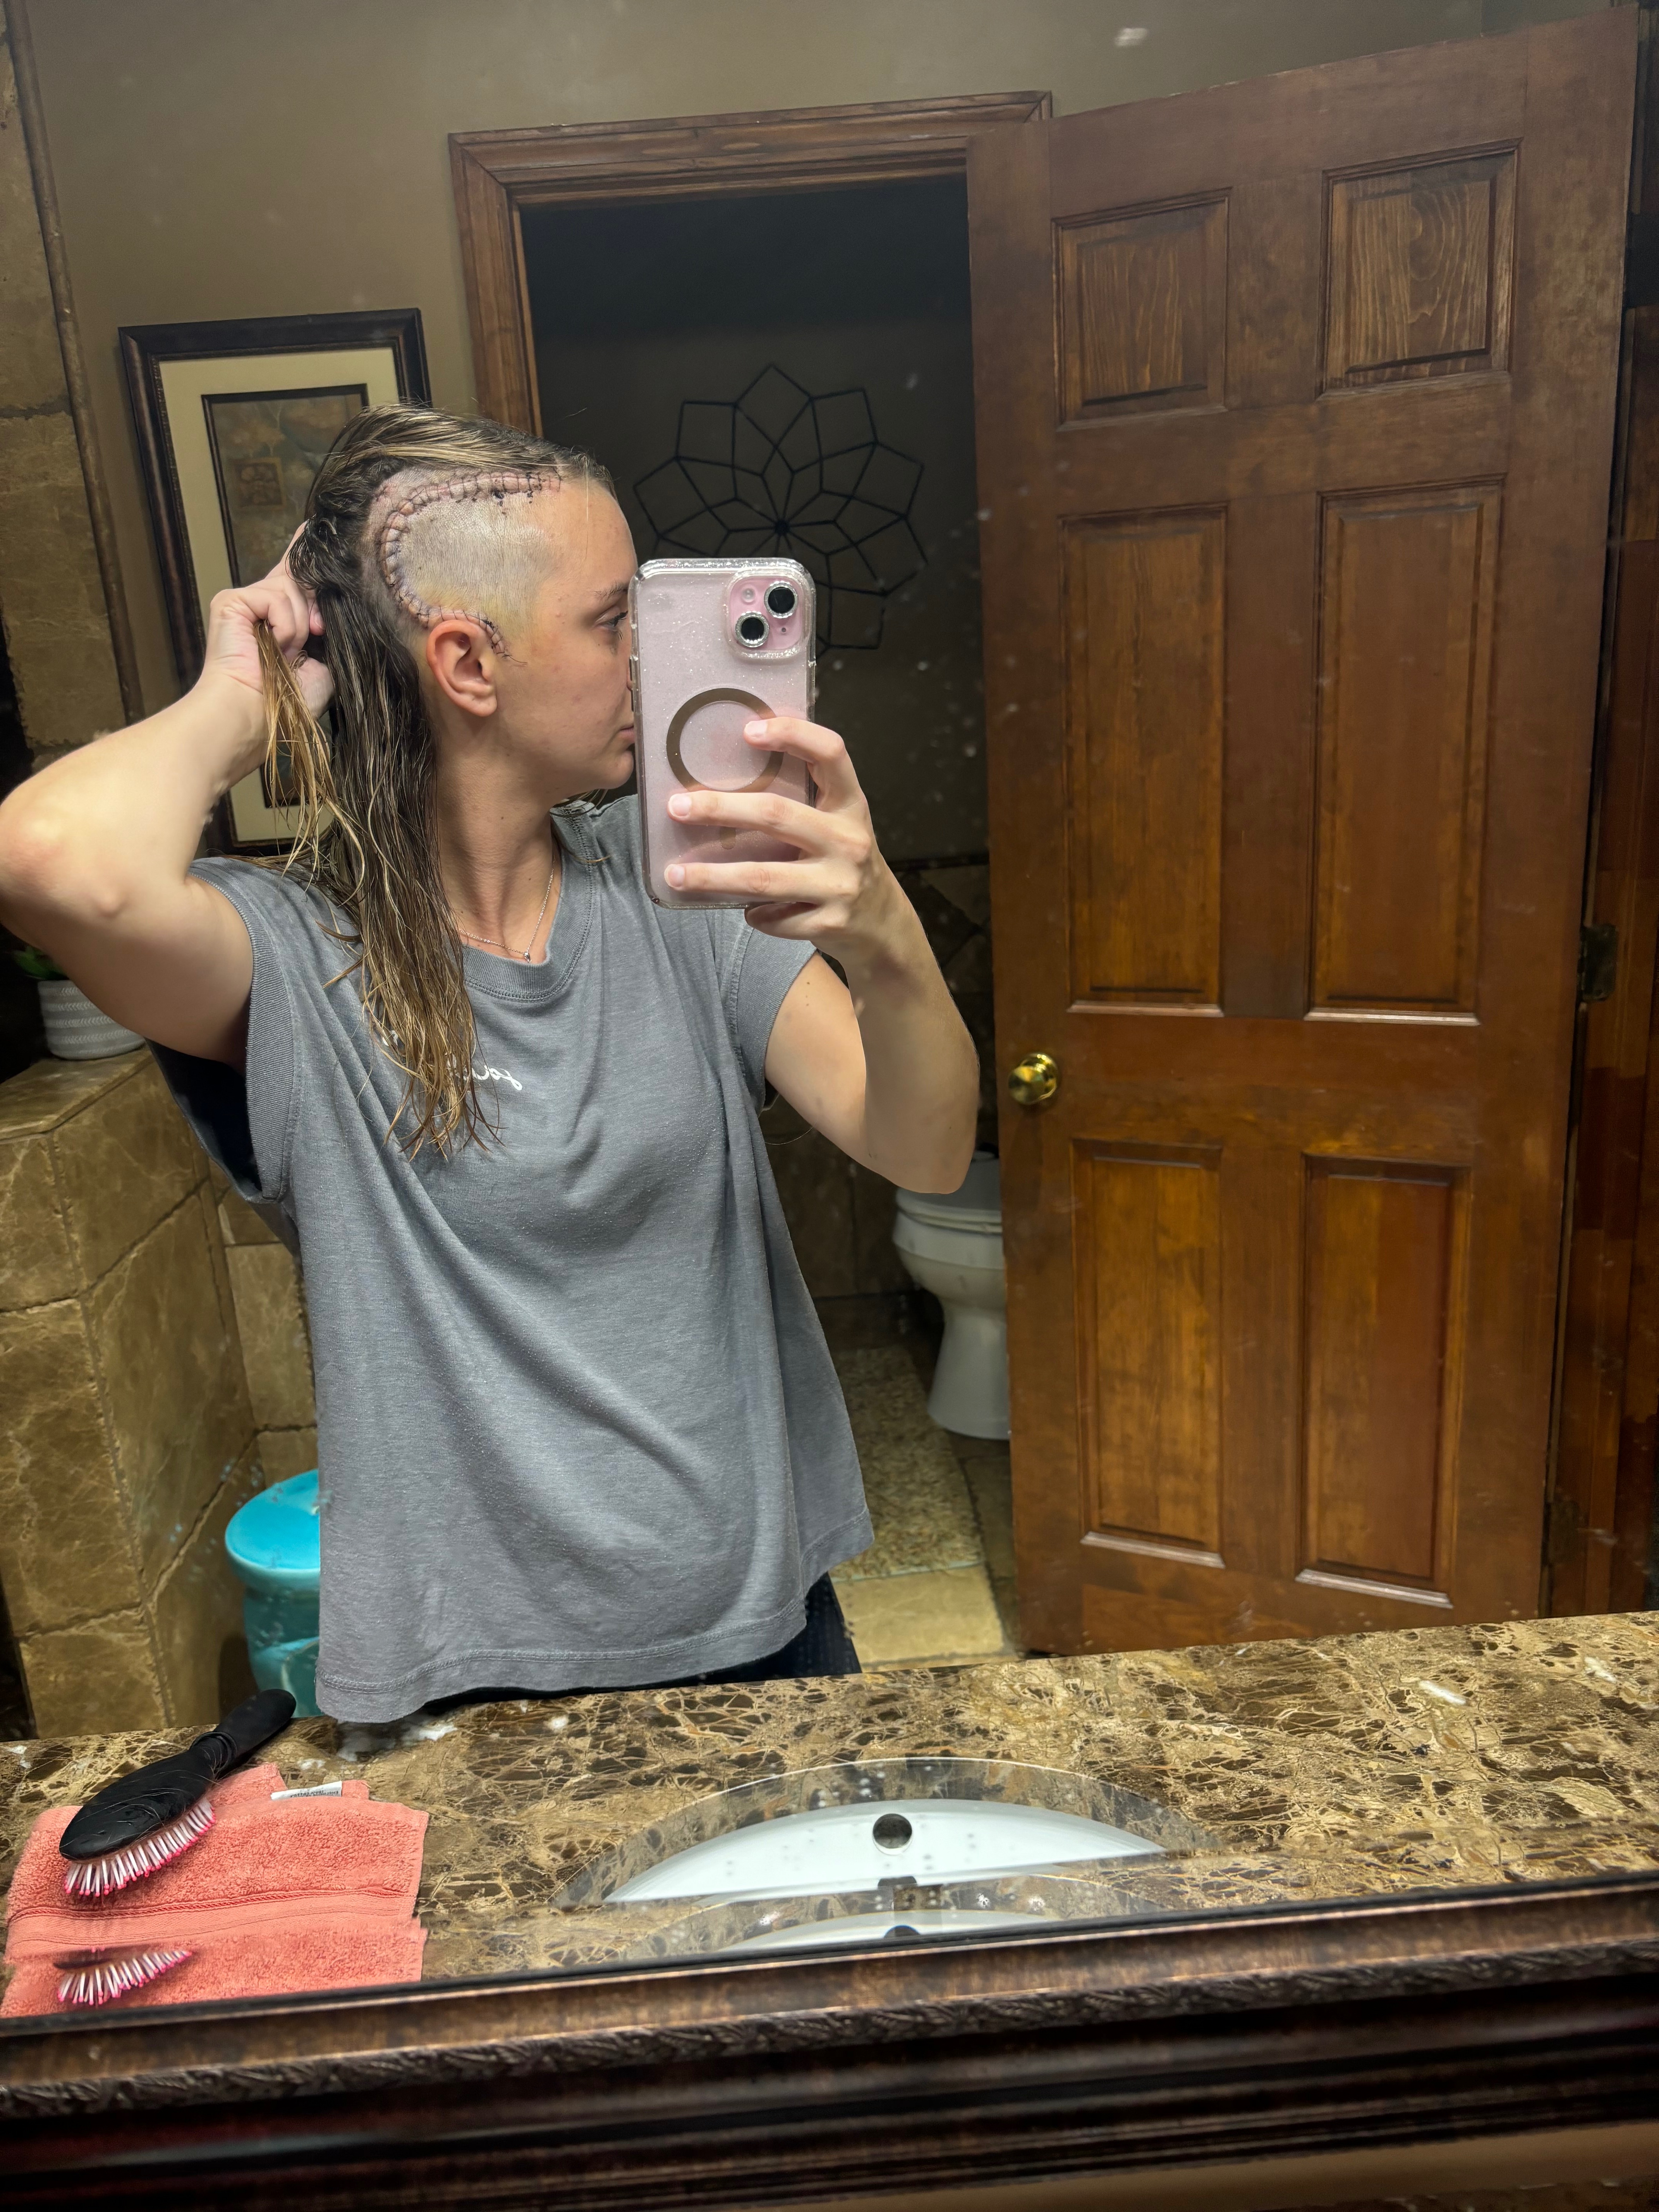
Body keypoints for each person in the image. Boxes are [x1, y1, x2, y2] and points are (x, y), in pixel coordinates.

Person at [0, 406, 978, 1722]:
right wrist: (240, 699)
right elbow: (50, 862)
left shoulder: (683, 894)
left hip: (762, 1634)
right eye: (614, 620)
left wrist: (886, 934)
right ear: (467, 663)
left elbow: (923, 1147)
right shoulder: (296, 959)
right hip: (474, 1687)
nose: (647, 659)